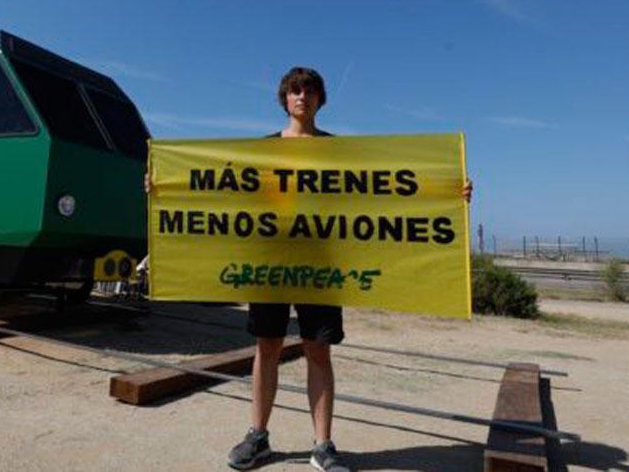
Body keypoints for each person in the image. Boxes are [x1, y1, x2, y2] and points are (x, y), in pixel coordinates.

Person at [148, 67, 472, 471]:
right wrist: (165, 188)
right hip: (270, 264)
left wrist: (448, 191)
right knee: (267, 347)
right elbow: (219, 192)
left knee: (318, 350)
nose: (302, 96)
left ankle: (322, 445)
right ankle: (258, 437)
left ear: (320, 99)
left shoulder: (336, 152)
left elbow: (383, 191)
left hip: (322, 266)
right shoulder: (260, 152)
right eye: (295, 90)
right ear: (285, 98)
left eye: (310, 90)